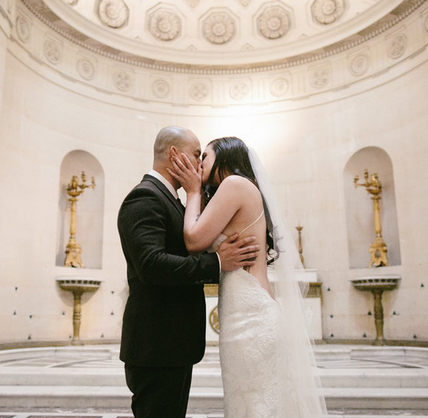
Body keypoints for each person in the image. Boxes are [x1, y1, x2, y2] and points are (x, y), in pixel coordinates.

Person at [169, 136, 328, 418]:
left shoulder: (235, 185)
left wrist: (193, 191)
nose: (199, 163)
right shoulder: (232, 190)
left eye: (204, 156)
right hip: (243, 312)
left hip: (250, 317)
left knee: (256, 405)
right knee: (248, 402)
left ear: (225, 157)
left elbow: (194, 240)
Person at [117, 126, 261, 418]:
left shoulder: (171, 200)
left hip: (173, 345)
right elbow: (152, 265)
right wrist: (218, 262)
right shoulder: (145, 197)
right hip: (156, 345)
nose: (199, 163)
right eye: (196, 154)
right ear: (174, 154)